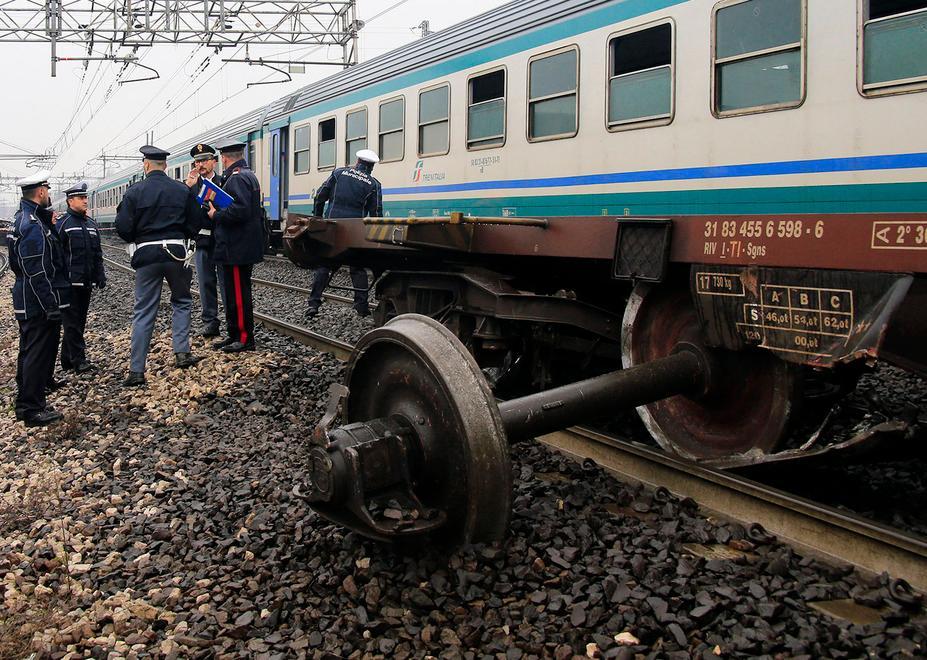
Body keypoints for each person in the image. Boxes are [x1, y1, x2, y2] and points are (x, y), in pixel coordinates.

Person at [116, 145, 203, 387]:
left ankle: (136, 371)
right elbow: (196, 221)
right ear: (165, 166)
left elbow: (123, 227)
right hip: (177, 253)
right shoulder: (181, 190)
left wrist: (140, 237)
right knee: (182, 301)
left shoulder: (134, 192)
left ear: (146, 165)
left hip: (147, 256)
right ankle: (182, 353)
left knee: (144, 309)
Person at [7, 171, 69, 426]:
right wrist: (49, 305)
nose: (49, 195)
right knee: (36, 353)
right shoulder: (32, 225)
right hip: (35, 299)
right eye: (48, 190)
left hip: (25, 296)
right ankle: (32, 408)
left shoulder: (22, 219)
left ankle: (25, 403)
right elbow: (37, 270)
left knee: (28, 350)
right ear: (41, 192)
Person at [305, 149, 382, 319]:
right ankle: (361, 307)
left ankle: (313, 304)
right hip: (355, 231)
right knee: (357, 268)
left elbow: (320, 196)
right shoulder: (374, 184)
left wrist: (318, 217)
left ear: (357, 162)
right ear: (371, 167)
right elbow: (376, 213)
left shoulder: (339, 173)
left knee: (324, 266)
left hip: (333, 228)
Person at [207, 138, 264, 353]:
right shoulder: (246, 175)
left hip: (237, 247)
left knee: (239, 294)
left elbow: (239, 211)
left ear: (224, 158)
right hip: (237, 246)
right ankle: (234, 334)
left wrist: (216, 214)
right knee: (232, 293)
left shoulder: (237, 179)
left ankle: (244, 337)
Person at [58, 182, 106, 373]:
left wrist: (100, 274)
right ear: (70, 201)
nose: (86, 201)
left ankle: (66, 359)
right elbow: (57, 255)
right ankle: (79, 361)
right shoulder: (63, 225)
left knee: (79, 322)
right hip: (69, 283)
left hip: (86, 282)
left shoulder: (91, 224)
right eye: (81, 198)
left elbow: (97, 253)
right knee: (72, 323)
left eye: (86, 197)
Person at [185, 143, 224, 337]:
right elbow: (187, 211)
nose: (200, 164)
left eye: (204, 160)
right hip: (202, 240)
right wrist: (189, 189)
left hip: (222, 240)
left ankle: (231, 319)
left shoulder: (224, 182)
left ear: (214, 162)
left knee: (225, 283)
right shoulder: (192, 185)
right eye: (197, 161)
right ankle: (210, 321)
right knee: (205, 282)